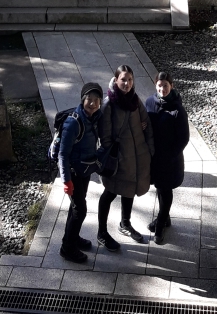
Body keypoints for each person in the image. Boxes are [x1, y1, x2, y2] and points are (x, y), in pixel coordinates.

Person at [97, 65, 154, 250]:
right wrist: (118, 157)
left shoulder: (135, 100)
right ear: (116, 80)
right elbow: (105, 137)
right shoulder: (109, 104)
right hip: (118, 160)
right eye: (123, 79)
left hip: (136, 157)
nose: (127, 83)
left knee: (130, 188)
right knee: (110, 193)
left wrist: (149, 150)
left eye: (130, 79)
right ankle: (101, 232)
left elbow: (146, 123)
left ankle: (125, 223)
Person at [58, 82, 104, 263]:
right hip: (73, 173)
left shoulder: (95, 117)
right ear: (82, 100)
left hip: (84, 170)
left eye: (96, 100)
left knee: (76, 207)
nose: (92, 103)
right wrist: (66, 181)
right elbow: (63, 154)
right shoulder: (73, 122)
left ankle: (72, 238)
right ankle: (67, 248)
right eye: (89, 99)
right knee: (80, 210)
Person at [145, 71, 190, 244]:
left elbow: (183, 138)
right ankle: (165, 218)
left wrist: (170, 156)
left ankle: (160, 224)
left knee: (165, 189)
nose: (162, 89)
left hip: (170, 159)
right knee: (160, 187)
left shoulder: (178, 110)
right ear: (155, 85)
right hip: (154, 157)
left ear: (171, 86)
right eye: (159, 85)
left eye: (165, 85)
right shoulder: (150, 102)